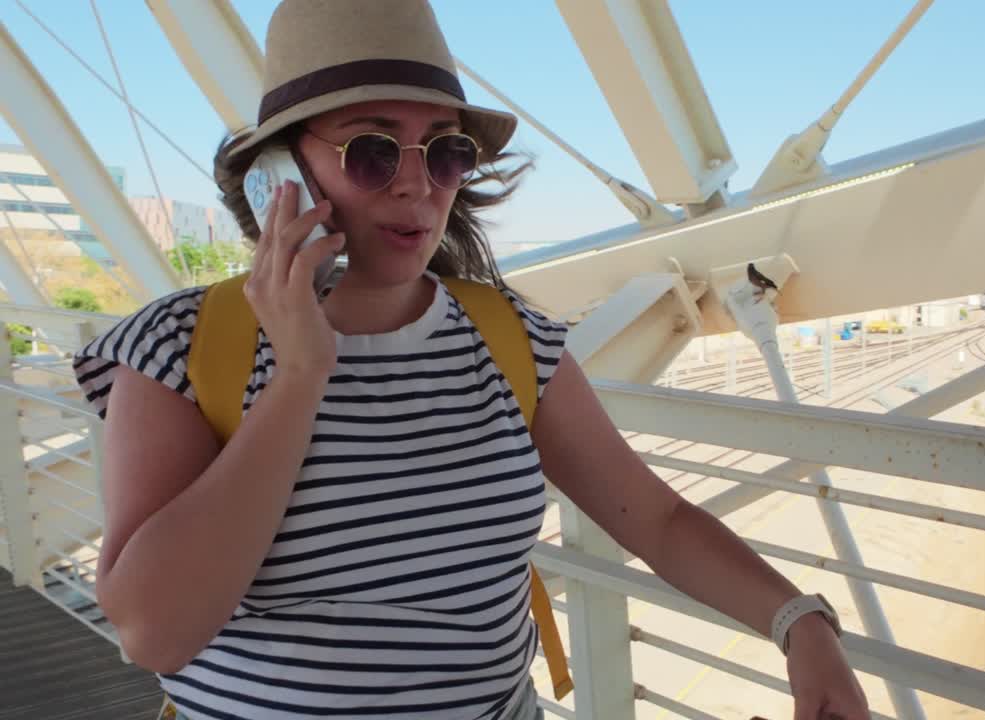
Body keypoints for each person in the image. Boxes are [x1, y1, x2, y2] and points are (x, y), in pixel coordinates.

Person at [72, 1, 871, 719]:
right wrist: (300, 378)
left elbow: (654, 518)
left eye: (444, 152)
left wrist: (798, 623)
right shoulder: (183, 346)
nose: (418, 186)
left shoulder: (508, 338)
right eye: (373, 153)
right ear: (280, 174)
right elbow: (154, 632)